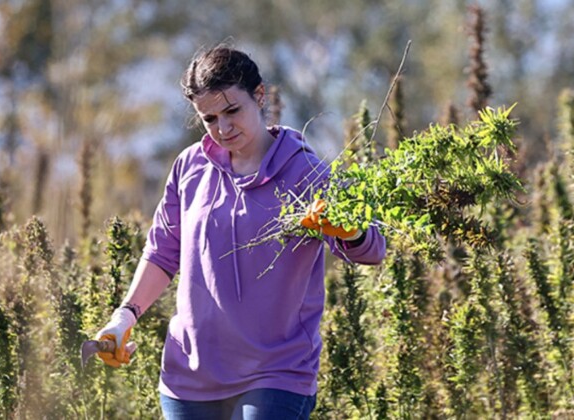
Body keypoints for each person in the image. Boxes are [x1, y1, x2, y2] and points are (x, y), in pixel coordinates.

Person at [94, 44, 386, 419]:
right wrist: (124, 316)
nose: (223, 128)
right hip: (189, 379)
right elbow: (162, 253)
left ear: (259, 96)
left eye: (233, 111)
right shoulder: (189, 168)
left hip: (275, 375)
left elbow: (373, 249)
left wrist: (348, 230)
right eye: (210, 118)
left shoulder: (306, 173)